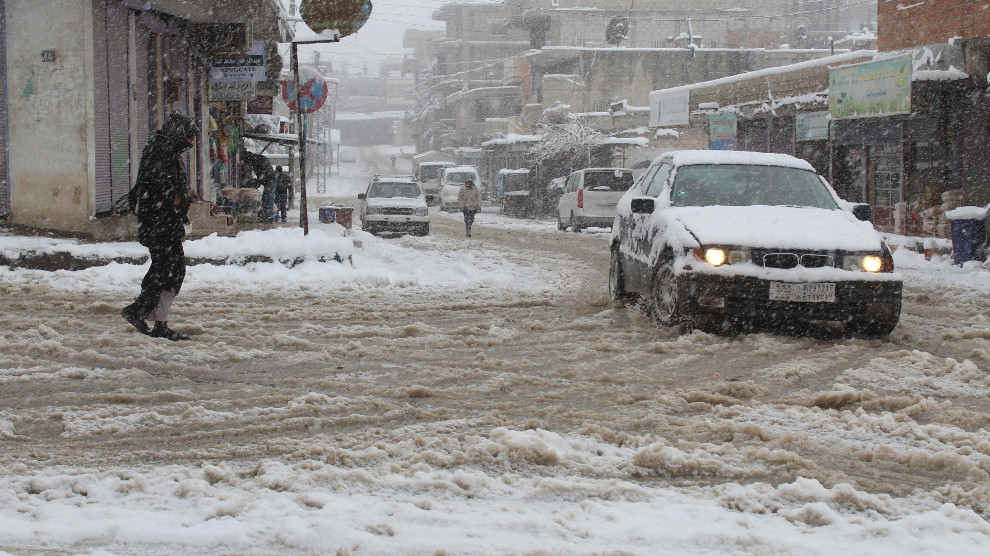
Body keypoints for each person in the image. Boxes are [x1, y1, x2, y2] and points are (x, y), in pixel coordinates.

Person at [121, 111, 198, 341]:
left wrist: (181, 196)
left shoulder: (162, 149)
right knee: (169, 270)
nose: (190, 144)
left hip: (161, 222)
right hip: (159, 223)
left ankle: (152, 317)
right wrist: (178, 196)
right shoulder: (161, 152)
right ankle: (142, 312)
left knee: (168, 270)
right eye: (189, 139)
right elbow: (161, 189)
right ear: (179, 134)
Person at [242, 149, 276, 222]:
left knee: (268, 198)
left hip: (270, 181)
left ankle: (269, 216)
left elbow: (262, 173)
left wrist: (258, 181)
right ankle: (267, 215)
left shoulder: (256, 160)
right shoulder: (258, 158)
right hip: (268, 180)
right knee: (265, 198)